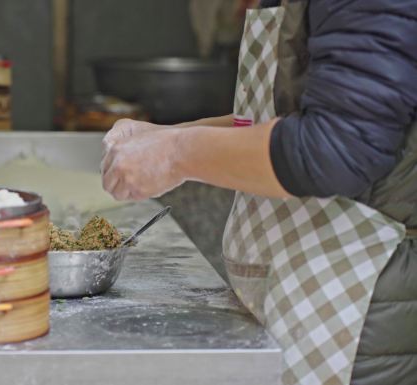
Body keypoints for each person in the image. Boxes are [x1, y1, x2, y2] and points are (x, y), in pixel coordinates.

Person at [101, 1, 417, 385]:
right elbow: (287, 116)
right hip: (298, 290)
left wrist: (175, 155)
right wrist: (169, 135)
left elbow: (338, 147)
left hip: (357, 304)